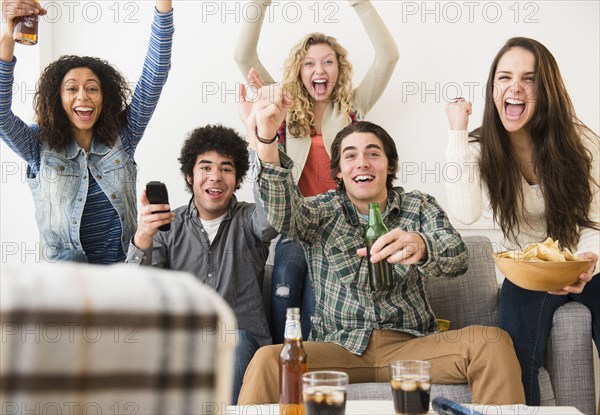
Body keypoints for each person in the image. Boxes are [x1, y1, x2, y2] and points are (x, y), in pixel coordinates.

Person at [237, 84, 526, 405]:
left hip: (412, 346)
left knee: (493, 342)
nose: (362, 162)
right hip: (340, 348)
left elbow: (457, 255)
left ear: (389, 165)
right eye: (350, 155)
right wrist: (265, 139)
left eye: (373, 153)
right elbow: (281, 213)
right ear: (339, 172)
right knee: (266, 360)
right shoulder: (319, 211)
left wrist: (422, 245)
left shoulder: (418, 206)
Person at [444, 37, 599, 405]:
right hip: (529, 272)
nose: (515, 87)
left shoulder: (581, 143)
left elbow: (595, 222)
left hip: (583, 263)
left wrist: (587, 263)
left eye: (529, 78)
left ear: (546, 90)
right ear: (492, 89)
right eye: (504, 77)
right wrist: (457, 133)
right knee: (517, 353)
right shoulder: (480, 149)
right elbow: (464, 212)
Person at [234, 0, 399, 343]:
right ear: (299, 70)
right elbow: (243, 57)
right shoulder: (284, 102)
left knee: (314, 302)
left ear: (339, 69)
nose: (318, 69)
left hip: (339, 227)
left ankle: (312, 369)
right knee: (284, 282)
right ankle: (281, 361)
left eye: (327, 61)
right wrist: (259, 4)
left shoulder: (354, 105)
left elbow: (388, 56)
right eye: (309, 63)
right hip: (297, 222)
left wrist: (360, 4)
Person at [0, 0, 174, 264]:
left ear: (105, 98)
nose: (83, 96)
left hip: (124, 279)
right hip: (67, 289)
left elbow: (156, 72)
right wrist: (6, 37)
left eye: (92, 88)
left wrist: (164, 6)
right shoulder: (38, 145)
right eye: (71, 89)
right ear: (56, 99)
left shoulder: (123, 138)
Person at [126, 124, 278, 404]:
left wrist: (263, 143)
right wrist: (143, 236)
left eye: (226, 169)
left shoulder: (250, 219)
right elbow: (137, 290)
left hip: (241, 339)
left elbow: (273, 218)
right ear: (189, 175)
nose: (216, 177)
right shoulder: (167, 226)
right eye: (206, 168)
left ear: (239, 178)